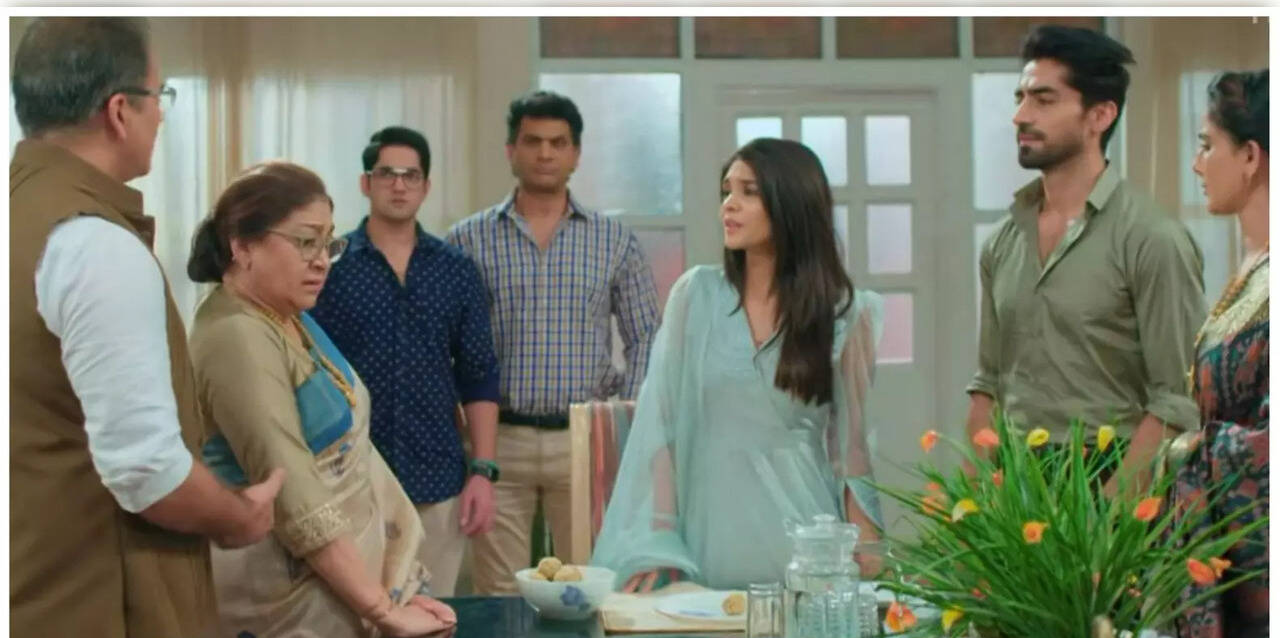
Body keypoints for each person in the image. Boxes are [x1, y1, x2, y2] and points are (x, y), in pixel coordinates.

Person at [9, 18, 283, 638]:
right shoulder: (91, 243)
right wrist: (239, 516)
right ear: (119, 110)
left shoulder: (22, 215)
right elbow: (145, 469)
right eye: (161, 97)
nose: (162, 116)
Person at [178, 162, 456, 638]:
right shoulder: (236, 334)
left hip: (338, 589)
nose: (321, 261)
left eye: (329, 244)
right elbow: (294, 494)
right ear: (242, 246)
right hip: (274, 610)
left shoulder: (288, 316)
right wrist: (381, 609)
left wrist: (390, 586)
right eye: (305, 242)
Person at [591, 138, 884, 591]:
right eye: (727, 191)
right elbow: (661, 426)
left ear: (791, 201)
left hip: (806, 548)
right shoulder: (696, 296)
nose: (729, 204)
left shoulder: (846, 312)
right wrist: (659, 539)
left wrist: (867, 549)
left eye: (749, 192)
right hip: (712, 542)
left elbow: (851, 448)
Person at [966, 25, 1205, 494]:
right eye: (1020, 97)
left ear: (1099, 115)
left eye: (1043, 100)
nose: (1020, 115)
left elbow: (1176, 400)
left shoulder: (1152, 238)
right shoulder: (1003, 242)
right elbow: (988, 385)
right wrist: (972, 504)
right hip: (1016, 484)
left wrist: (1110, 515)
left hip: (1112, 471)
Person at [446, 91, 660, 595]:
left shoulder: (613, 241)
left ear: (575, 154)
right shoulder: (467, 240)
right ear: (511, 150)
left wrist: (623, 419)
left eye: (558, 143)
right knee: (499, 594)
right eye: (533, 141)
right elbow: (445, 339)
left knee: (585, 589)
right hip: (498, 442)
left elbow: (647, 334)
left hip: (583, 437)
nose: (545, 153)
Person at [311, 127, 500, 598]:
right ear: (365, 183)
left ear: (426, 186)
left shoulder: (455, 270)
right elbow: (307, 371)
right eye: (386, 174)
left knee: (434, 617)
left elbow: (478, 374)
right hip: (351, 478)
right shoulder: (330, 268)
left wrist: (483, 471)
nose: (398, 185)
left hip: (437, 477)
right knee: (358, 617)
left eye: (410, 176)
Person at [1170, 69, 1269, 638]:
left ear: (1251, 156)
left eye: (1208, 145)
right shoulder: (1252, 267)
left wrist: (1189, 452)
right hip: (1230, 555)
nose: (1197, 163)